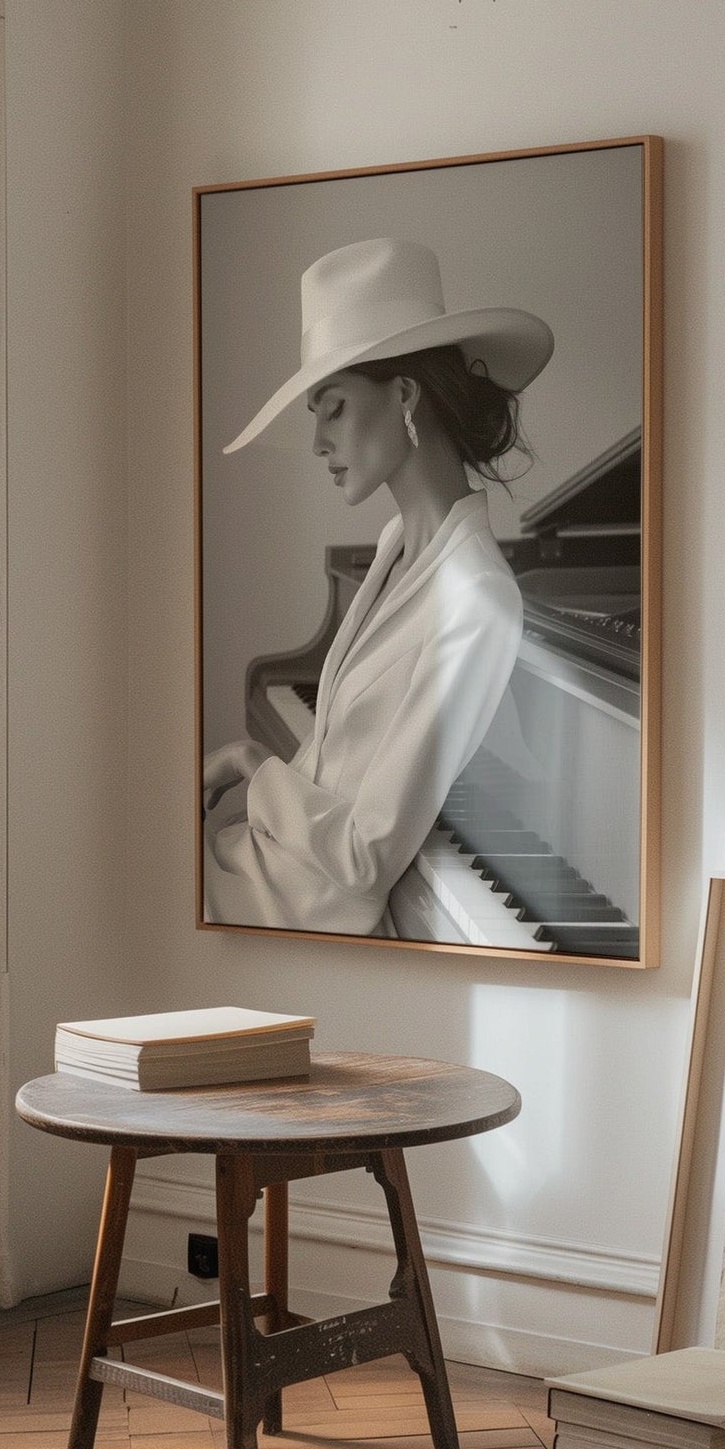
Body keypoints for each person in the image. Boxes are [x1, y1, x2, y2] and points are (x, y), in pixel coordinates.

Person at [202, 236, 554, 935]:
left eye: (331, 407)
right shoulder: (396, 546)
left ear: (403, 396)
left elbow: (367, 857)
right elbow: (335, 761)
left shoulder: (478, 600)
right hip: (262, 867)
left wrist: (248, 761)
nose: (318, 444)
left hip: (302, 911)